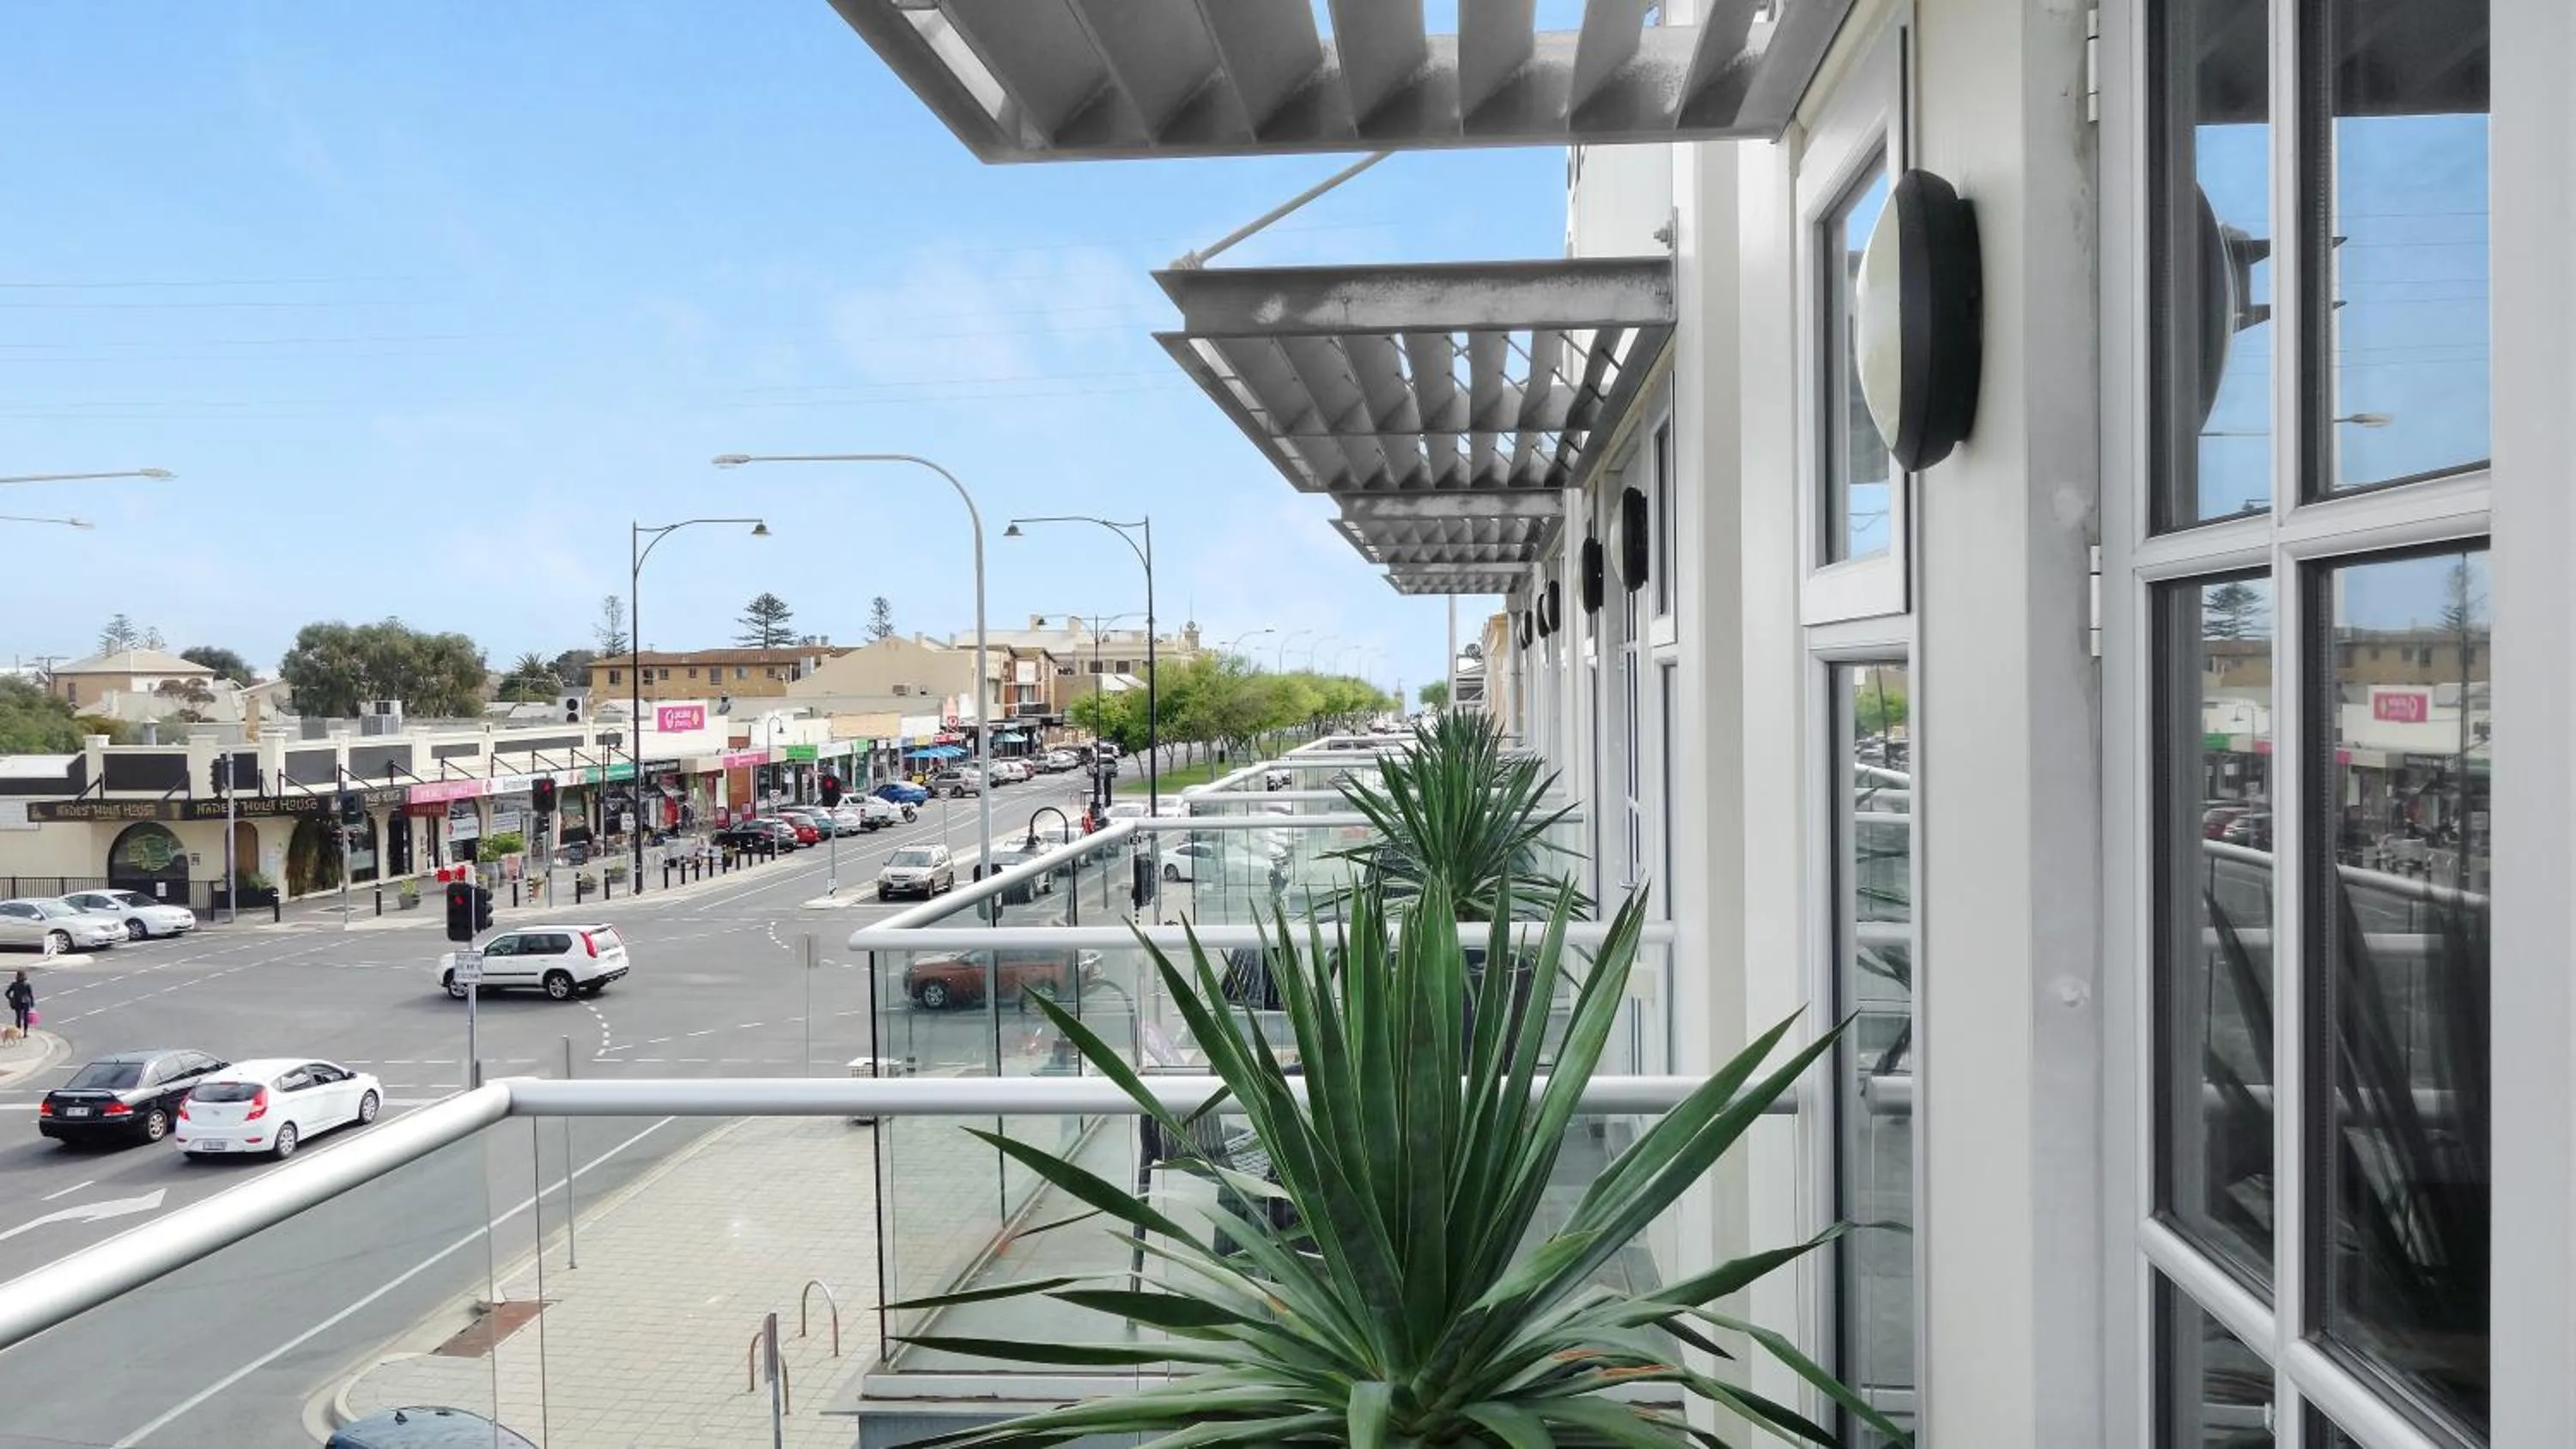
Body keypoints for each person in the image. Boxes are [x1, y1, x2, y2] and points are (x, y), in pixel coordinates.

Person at [6, 971, 32, 1035]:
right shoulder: (27, 984)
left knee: (19, 1017)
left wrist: (11, 999)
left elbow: (7, 993)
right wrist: (32, 1002)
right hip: (25, 1002)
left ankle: (19, 1033)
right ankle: (25, 1033)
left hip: (18, 1003)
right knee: (25, 1018)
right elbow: (30, 995)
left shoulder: (14, 984)